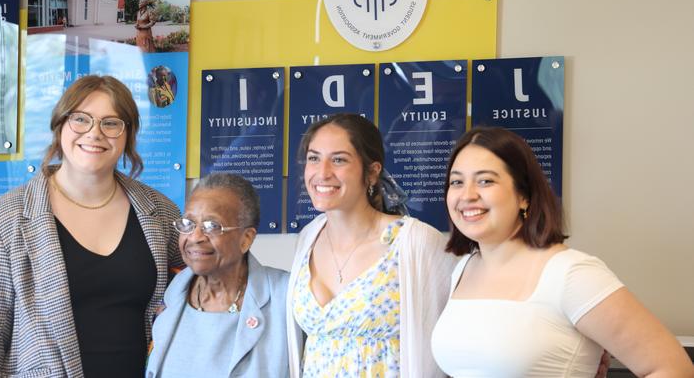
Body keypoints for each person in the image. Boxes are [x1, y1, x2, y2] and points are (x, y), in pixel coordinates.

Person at [0, 75, 183, 377]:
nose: (95, 133)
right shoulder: (1, 221)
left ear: (128, 135)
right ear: (60, 125)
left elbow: (192, 300)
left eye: (111, 123)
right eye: (81, 119)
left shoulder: (162, 212)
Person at [430, 127, 694, 377]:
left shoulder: (572, 274)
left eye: (485, 181)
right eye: (456, 182)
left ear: (524, 195)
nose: (467, 195)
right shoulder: (464, 268)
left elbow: (673, 368)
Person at [286, 113, 458, 378]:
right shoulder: (308, 238)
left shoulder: (414, 241)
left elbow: (446, 347)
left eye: (339, 160)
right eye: (313, 158)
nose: (322, 173)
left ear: (372, 172)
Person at [146, 173, 291, 378]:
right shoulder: (172, 293)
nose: (195, 237)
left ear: (246, 239)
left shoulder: (285, 296)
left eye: (212, 226)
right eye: (188, 224)